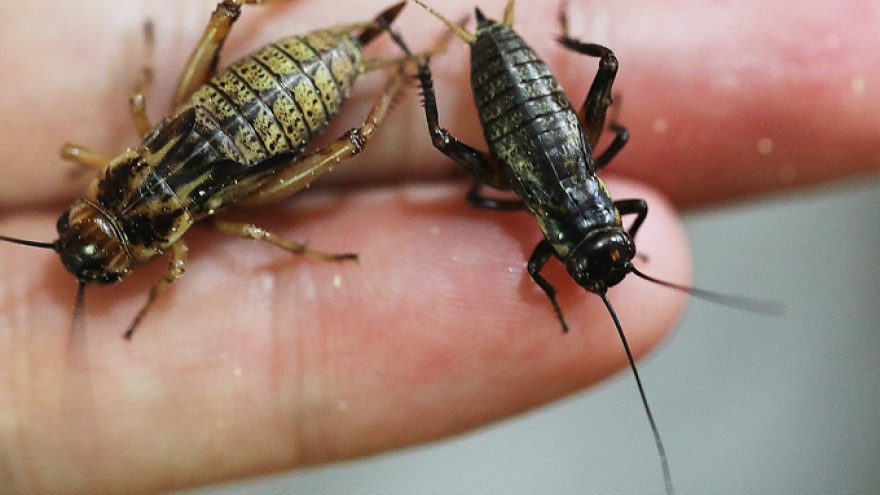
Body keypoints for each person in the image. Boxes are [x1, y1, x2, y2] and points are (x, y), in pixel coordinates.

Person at [0, 0, 875, 492]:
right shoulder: (144, 193)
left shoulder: (171, 233)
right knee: (321, 139)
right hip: (265, 106)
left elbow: (211, 236)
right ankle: (389, 77)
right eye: (109, 258)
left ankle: (394, 77)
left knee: (328, 140)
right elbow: (238, 217)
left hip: (283, 104)